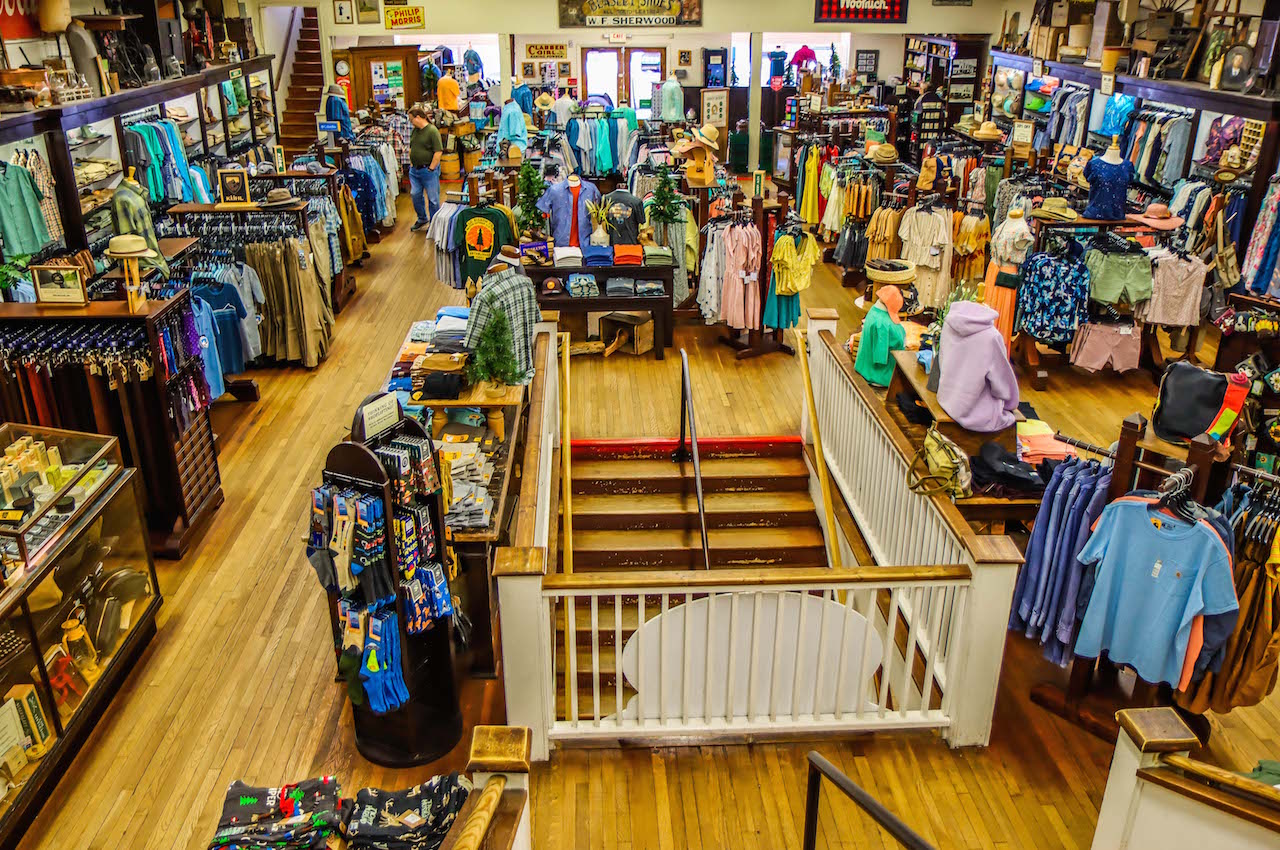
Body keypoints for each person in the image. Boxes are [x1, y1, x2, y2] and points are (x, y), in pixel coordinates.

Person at [408, 106, 442, 230]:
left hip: (428, 170)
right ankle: (422, 218)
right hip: (415, 171)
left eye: (411, 119)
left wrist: (432, 168)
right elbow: (412, 147)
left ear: (418, 117)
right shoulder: (415, 131)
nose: (411, 122)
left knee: (433, 199)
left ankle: (434, 224)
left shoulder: (432, 131)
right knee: (415, 195)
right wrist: (411, 163)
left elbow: (438, 151)